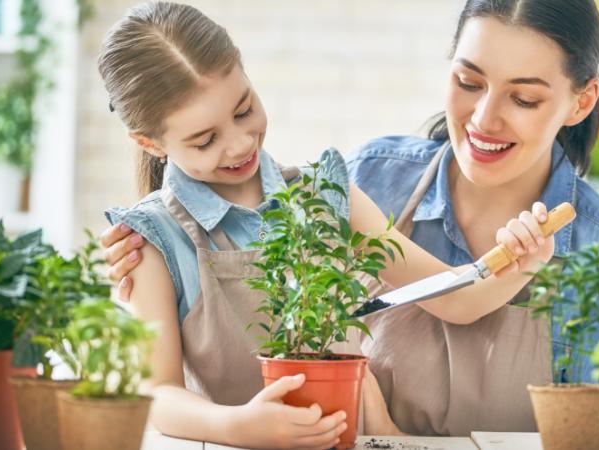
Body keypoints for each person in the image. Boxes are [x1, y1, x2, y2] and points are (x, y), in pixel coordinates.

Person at [96, 2, 557, 447]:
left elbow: (455, 298)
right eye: (204, 140)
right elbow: (157, 394)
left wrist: (524, 262)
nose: (239, 145)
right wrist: (241, 426)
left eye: (243, 110)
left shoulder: (326, 195)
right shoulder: (152, 239)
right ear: (149, 142)